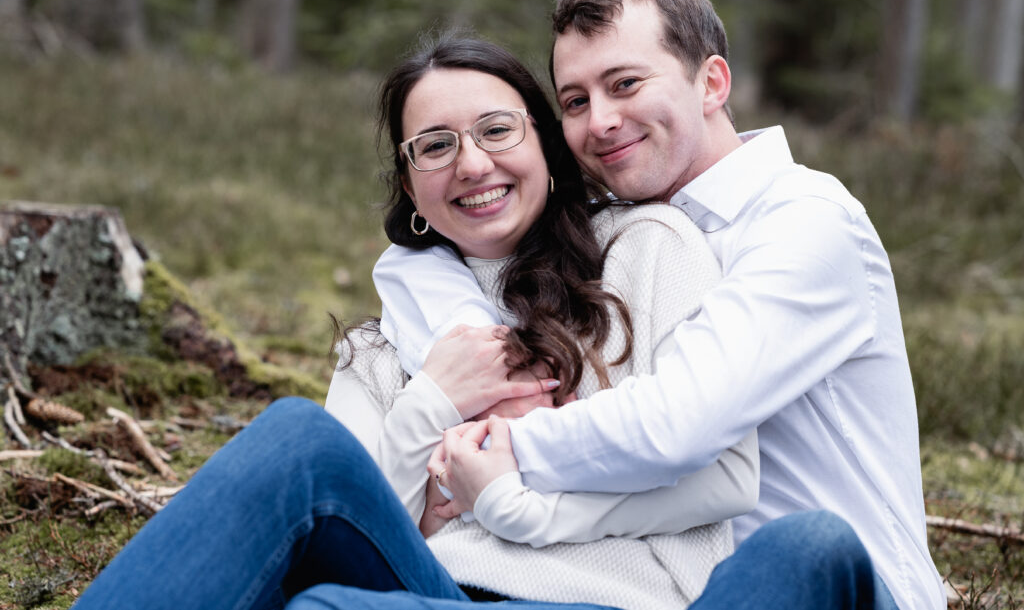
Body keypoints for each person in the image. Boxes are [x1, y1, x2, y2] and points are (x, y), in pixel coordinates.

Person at [72, 35, 759, 610]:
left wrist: (505, 498)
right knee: (298, 442)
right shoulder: (376, 349)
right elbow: (362, 523)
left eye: (497, 130)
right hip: (433, 589)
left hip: (604, 597)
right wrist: (432, 399)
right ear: (409, 184)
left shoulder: (645, 251)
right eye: (434, 146)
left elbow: (718, 477)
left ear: (547, 147)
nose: (472, 163)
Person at [372, 0, 945, 610]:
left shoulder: (805, 218)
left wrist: (500, 446)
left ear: (712, 81)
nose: (602, 121)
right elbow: (451, 249)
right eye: (577, 101)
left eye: (626, 84)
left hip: (829, 582)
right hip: (690, 591)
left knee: (804, 543)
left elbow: (679, 421)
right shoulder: (616, 235)